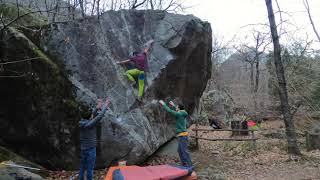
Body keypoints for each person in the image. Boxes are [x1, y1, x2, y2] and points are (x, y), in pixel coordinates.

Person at [78, 98, 110, 180]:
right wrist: (105, 106)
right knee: (90, 169)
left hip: (83, 149)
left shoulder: (82, 122)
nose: (93, 115)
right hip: (91, 149)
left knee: (82, 167)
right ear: (90, 118)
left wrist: (97, 107)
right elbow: (99, 117)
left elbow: (91, 115)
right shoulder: (90, 124)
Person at [159, 100, 193, 168]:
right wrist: (173, 105)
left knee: (183, 151)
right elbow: (178, 111)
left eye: (177, 107)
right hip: (182, 135)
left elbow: (170, 111)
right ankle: (184, 164)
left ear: (179, 108)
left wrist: (164, 104)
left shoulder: (179, 114)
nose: (176, 108)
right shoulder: (182, 113)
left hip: (183, 136)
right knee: (180, 150)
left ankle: (189, 165)